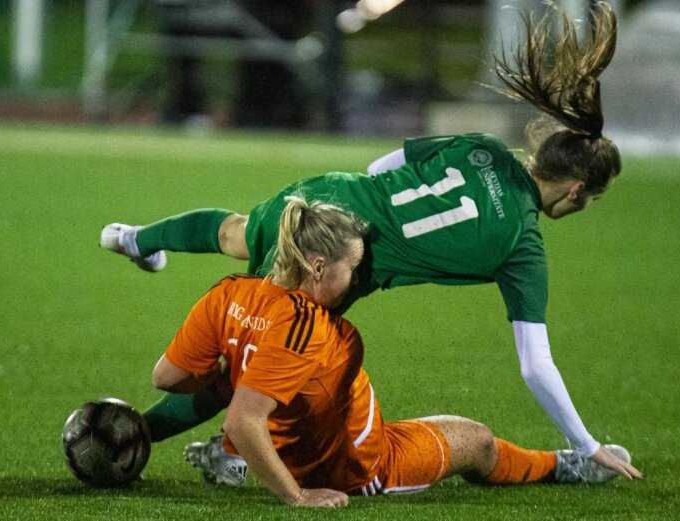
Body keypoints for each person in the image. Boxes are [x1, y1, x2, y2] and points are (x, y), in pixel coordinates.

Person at [103, 2, 630, 480]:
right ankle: (142, 442)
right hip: (344, 253)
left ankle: (138, 238)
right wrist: (585, 444)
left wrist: (370, 205)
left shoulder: (483, 148)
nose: (584, 208)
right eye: (593, 200)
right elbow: (536, 365)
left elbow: (385, 165)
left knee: (237, 233)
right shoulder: (523, 248)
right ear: (578, 187)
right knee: (262, 352)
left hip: (328, 192)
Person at [152, 196, 642, 508]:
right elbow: (244, 417)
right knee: (478, 441)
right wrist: (298, 496)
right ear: (318, 265)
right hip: (360, 465)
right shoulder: (303, 324)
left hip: (296, 438)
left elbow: (168, 377)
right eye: (353, 267)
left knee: (252, 394)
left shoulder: (230, 292)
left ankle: (234, 458)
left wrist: (229, 375)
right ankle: (564, 467)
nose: (359, 278)